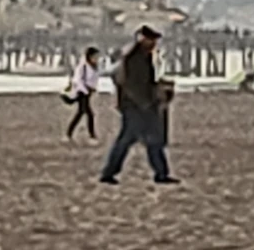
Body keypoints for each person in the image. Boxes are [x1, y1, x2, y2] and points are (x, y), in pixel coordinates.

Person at [100, 26, 178, 185]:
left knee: (149, 140)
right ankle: (110, 173)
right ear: (144, 39)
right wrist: (145, 102)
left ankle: (160, 173)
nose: (154, 43)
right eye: (152, 40)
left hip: (141, 105)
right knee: (130, 140)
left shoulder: (141, 56)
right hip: (136, 106)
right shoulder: (134, 58)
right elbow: (130, 85)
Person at [64, 47, 101, 141]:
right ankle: (92, 136)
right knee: (89, 114)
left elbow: (93, 79)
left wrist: (93, 88)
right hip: (81, 92)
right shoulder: (82, 66)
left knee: (80, 113)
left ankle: (68, 134)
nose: (97, 58)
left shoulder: (94, 66)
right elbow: (77, 80)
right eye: (95, 56)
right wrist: (85, 90)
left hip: (88, 92)